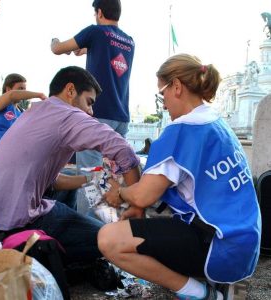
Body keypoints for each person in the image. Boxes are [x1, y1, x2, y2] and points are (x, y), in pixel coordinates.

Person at [98, 54, 261, 300]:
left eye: (161, 94)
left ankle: (199, 293)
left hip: (219, 245)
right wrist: (138, 205)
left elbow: (143, 194)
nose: (163, 104)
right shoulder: (217, 123)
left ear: (176, 86)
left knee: (109, 239)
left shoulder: (182, 130)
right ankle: (218, 282)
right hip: (245, 244)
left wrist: (119, 193)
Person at [0, 66, 140, 264]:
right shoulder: (67, 115)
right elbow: (124, 150)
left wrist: (93, 178)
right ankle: (52, 253)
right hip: (19, 223)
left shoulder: (36, 111)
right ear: (70, 90)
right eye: (89, 102)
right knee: (114, 241)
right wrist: (137, 205)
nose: (91, 112)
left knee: (69, 188)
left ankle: (59, 240)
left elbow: (52, 181)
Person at [51, 0, 135, 172]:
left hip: (97, 113)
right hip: (121, 117)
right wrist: (85, 48)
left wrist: (55, 41)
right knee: (114, 174)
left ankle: (88, 201)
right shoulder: (129, 41)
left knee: (90, 175)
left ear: (100, 13)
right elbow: (107, 51)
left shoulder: (95, 32)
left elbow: (58, 49)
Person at [0, 73, 46, 164]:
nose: (24, 92)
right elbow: (11, 95)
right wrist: (40, 95)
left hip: (16, 150)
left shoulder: (23, 112)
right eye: (20, 89)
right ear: (8, 89)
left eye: (25, 89)